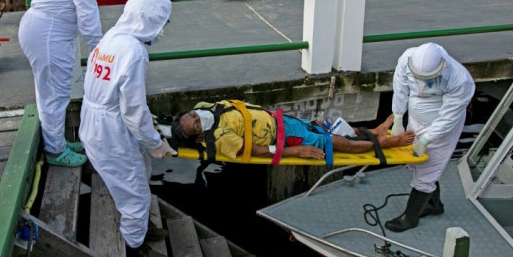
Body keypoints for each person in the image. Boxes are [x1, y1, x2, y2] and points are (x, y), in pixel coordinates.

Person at [19, 0, 145, 167]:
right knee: (54, 95)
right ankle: (55, 151)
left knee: (53, 91)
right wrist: (99, 48)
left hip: (40, 27)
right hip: (50, 34)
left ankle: (58, 142)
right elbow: (87, 14)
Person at [80, 0, 175, 257]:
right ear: (150, 20)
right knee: (135, 192)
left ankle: (142, 228)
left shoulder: (113, 37)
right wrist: (155, 142)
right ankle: (136, 247)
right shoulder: (134, 53)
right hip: (110, 131)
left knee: (139, 173)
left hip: (96, 119)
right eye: (162, 23)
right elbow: (133, 111)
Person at [385, 42, 475, 232]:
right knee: (416, 164)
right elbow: (400, 88)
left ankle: (410, 217)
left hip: (442, 126)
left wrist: (427, 139)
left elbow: (449, 116)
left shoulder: (461, 80)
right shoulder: (406, 59)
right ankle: (434, 204)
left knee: (429, 168)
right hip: (415, 118)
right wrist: (398, 118)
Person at [172, 100, 415, 161]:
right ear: (199, 135)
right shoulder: (220, 139)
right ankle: (385, 144)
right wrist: (296, 151)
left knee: (325, 126)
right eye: (196, 124)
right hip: (285, 138)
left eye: (193, 115)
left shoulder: (205, 108)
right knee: (335, 143)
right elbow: (257, 151)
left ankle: (374, 129)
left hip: (282, 120)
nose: (198, 118)